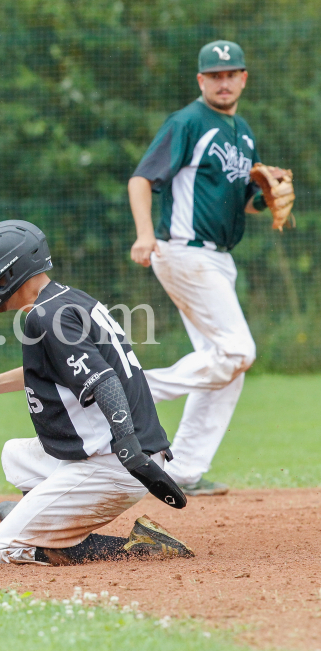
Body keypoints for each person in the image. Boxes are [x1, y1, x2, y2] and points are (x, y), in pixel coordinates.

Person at [0, 220, 193, 565]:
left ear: (14, 270)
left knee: (6, 546)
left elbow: (104, 380)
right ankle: (49, 522)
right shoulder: (65, 300)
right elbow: (59, 368)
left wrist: (129, 448)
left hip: (117, 460)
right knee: (16, 455)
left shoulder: (48, 317)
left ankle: (136, 547)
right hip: (117, 451)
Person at [127, 40, 291, 496]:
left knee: (226, 366)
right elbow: (142, 179)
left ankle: (182, 472)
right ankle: (125, 389)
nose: (223, 81)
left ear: (243, 78)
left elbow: (240, 201)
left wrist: (265, 194)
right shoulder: (188, 122)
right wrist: (145, 234)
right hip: (184, 252)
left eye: (231, 73)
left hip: (219, 258)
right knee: (237, 352)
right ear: (201, 81)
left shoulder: (243, 131)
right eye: (214, 75)